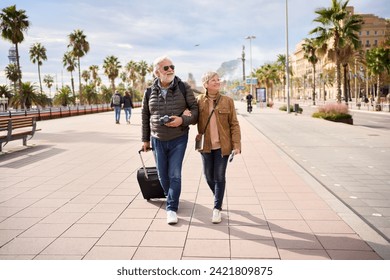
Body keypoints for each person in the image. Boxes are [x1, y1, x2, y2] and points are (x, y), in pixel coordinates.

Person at [141, 56, 198, 225]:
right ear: (157, 72)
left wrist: (183, 120)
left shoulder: (183, 87)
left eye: (172, 66)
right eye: (166, 68)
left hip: (178, 137)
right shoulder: (149, 91)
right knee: (162, 174)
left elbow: (195, 110)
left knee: (174, 174)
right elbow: (145, 116)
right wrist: (145, 139)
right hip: (157, 138)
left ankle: (171, 207)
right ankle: (171, 195)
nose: (171, 69)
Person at [196, 71, 241, 224]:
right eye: (213, 80)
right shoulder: (198, 101)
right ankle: (218, 197)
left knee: (219, 177)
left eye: (218, 79)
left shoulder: (227, 101)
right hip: (205, 146)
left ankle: (217, 208)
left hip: (223, 146)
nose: (217, 82)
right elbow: (191, 119)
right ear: (206, 84)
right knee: (208, 176)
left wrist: (237, 145)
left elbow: (234, 124)